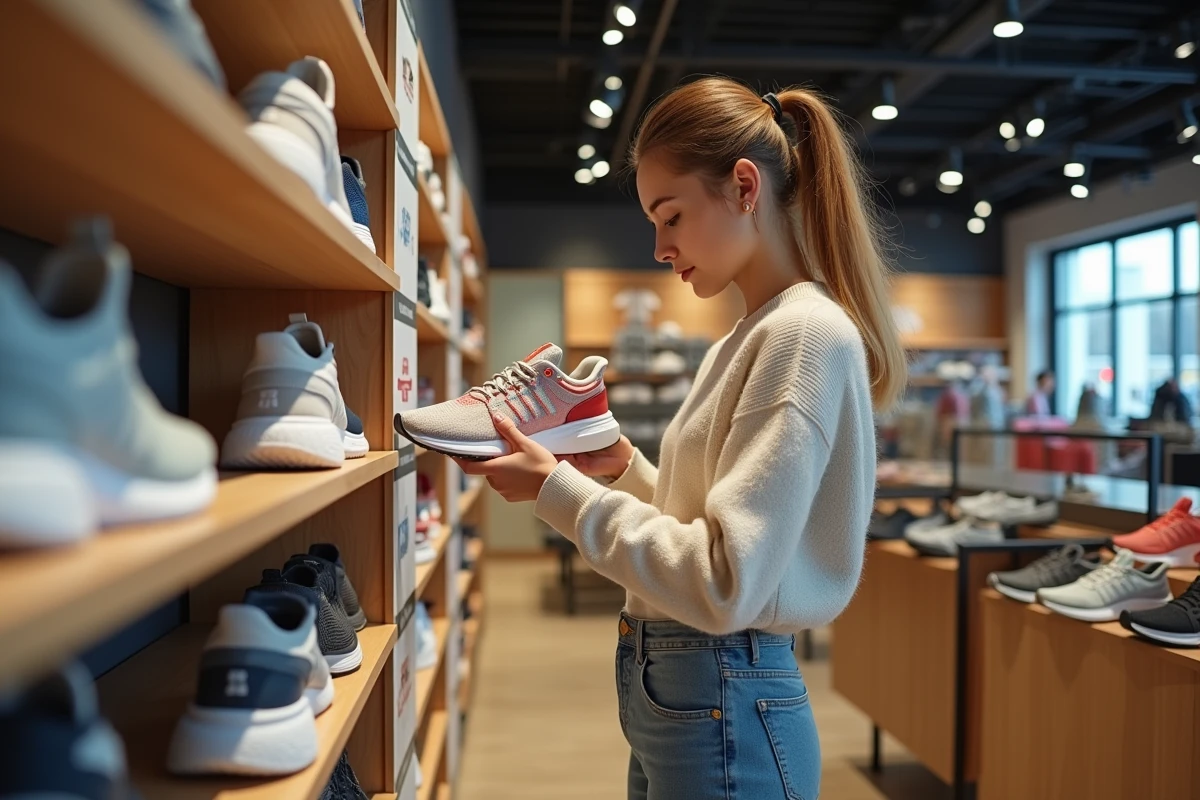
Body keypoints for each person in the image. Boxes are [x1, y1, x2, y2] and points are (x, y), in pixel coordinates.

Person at [454, 80, 906, 800]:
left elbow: (726, 583)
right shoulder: (749, 335)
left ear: (745, 187)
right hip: (692, 681)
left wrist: (558, 493)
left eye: (672, 217)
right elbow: (714, 535)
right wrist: (623, 470)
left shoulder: (801, 335)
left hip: (720, 678)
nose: (661, 247)